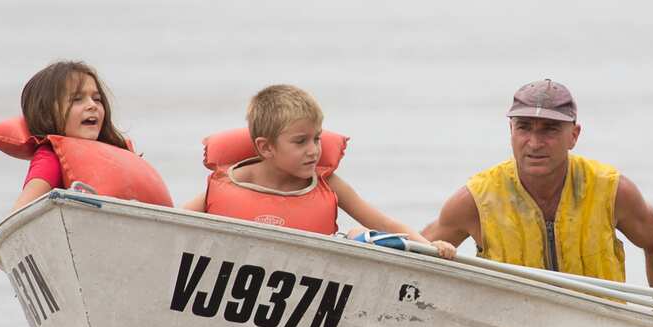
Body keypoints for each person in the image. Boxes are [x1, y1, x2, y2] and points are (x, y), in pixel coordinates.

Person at [422, 79, 653, 291]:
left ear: (574, 135)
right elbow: (414, 254)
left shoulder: (611, 191)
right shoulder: (477, 200)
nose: (535, 143)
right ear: (510, 131)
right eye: (524, 128)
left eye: (550, 130)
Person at [184, 84, 456, 258]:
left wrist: (431, 248)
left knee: (356, 235)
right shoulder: (226, 184)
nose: (314, 150)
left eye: (317, 138)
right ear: (266, 148)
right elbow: (171, 221)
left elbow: (386, 224)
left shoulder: (328, 184)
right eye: (300, 142)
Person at [4, 60, 169, 211]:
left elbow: (170, 219)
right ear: (46, 114)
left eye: (97, 99)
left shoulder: (117, 157)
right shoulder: (51, 159)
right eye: (77, 99)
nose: (92, 105)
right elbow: (20, 213)